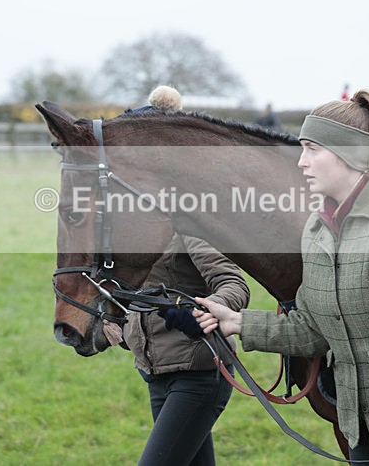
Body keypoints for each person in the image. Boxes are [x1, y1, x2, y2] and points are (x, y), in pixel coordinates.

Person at [194, 89, 369, 465]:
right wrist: (236, 322)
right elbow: (314, 329)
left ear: (350, 152)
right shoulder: (317, 230)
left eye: (312, 149)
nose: (301, 162)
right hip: (361, 429)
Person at [120, 86, 251, 466]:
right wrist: (117, 324)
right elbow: (133, 295)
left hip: (197, 375)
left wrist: (208, 309)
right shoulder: (131, 227)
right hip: (155, 372)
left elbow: (234, 284)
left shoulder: (188, 219)